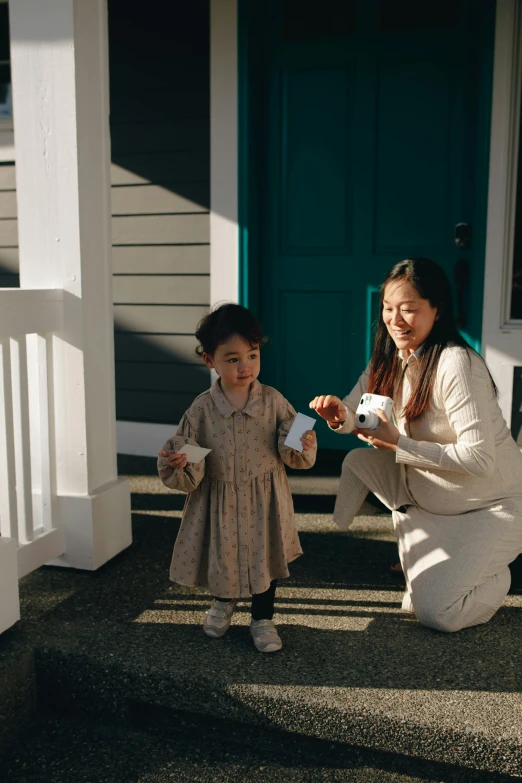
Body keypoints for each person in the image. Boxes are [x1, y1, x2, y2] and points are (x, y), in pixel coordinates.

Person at [310, 258, 522, 633]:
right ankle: (424, 553)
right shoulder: (390, 357)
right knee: (359, 461)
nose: (396, 319)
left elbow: (480, 459)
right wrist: (337, 415)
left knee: (437, 612)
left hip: (491, 506)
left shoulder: (456, 363)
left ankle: (498, 574)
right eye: (389, 309)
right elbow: (357, 411)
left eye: (409, 309)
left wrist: (399, 443)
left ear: (437, 310)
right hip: (429, 498)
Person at [158, 303, 317, 652]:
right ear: (209, 360)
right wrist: (181, 460)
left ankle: (262, 618)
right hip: (220, 500)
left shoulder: (274, 402)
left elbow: (294, 448)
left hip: (265, 499)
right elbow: (190, 455)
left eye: (252, 355)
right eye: (232, 358)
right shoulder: (201, 409)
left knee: (265, 556)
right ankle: (223, 600)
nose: (245, 366)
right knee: (223, 551)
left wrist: (300, 442)